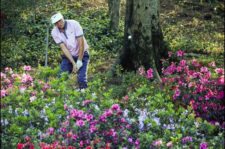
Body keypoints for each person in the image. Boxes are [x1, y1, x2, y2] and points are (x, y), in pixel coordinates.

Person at [50, 12, 89, 89]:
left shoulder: (74, 24)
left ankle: (85, 98)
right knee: (61, 77)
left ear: (63, 18)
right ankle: (61, 97)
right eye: (56, 23)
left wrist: (79, 60)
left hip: (82, 54)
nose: (59, 24)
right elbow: (64, 48)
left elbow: (81, 43)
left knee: (81, 79)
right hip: (69, 56)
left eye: (60, 21)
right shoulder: (54, 32)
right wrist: (73, 63)